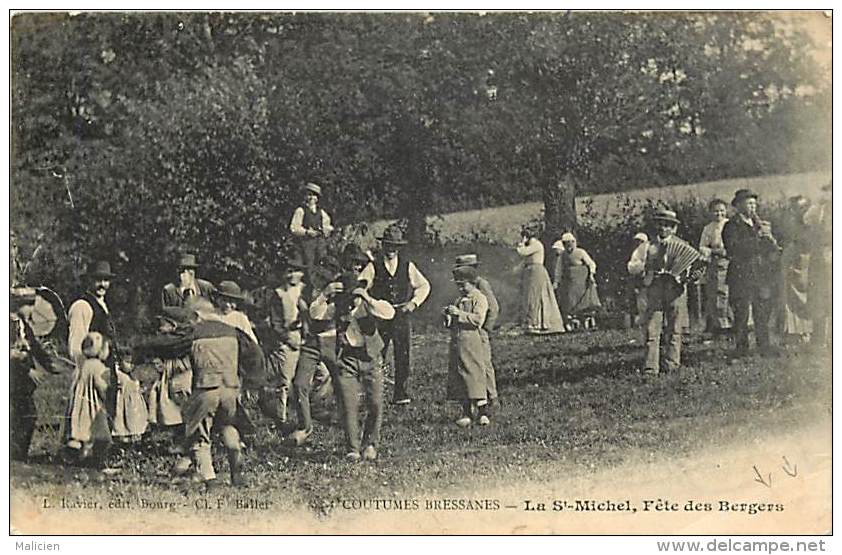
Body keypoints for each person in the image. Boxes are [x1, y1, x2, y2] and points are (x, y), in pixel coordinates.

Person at [137, 297, 267, 488]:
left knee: (200, 435)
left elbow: (166, 345)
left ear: (197, 315)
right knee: (228, 427)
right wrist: (252, 382)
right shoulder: (234, 332)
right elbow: (255, 354)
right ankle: (237, 474)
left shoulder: (195, 332)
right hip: (231, 390)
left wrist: (140, 347)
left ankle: (210, 480)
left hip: (206, 390)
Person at [312, 262, 396, 461]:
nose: (351, 300)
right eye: (348, 296)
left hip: (371, 358)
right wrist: (325, 294)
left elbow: (389, 312)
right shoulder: (338, 307)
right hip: (347, 359)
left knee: (375, 402)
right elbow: (315, 313)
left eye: (354, 295)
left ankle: (370, 444)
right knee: (348, 405)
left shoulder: (369, 305)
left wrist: (367, 298)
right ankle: (353, 448)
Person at [66, 261, 147, 455]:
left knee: (110, 403)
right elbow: (76, 342)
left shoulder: (101, 304)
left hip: (105, 366)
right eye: (97, 280)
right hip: (90, 367)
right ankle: (86, 451)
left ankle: (109, 445)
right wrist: (84, 370)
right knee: (89, 410)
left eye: (106, 280)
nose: (102, 284)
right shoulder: (82, 306)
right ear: (88, 281)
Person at [359, 225, 431, 405]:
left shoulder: (407, 265)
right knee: (377, 353)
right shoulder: (372, 265)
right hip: (380, 317)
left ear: (399, 247)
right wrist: (370, 304)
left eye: (395, 246)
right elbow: (360, 287)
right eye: (388, 245)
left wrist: (413, 303)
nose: (391, 249)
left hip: (401, 314)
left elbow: (424, 286)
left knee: (403, 353)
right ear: (383, 246)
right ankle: (376, 393)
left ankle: (401, 393)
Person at [638, 209, 704, 375]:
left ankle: (672, 364)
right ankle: (650, 368)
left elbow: (698, 268)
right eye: (660, 224)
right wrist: (647, 270)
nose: (663, 228)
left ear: (674, 229)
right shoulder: (647, 246)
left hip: (676, 290)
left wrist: (686, 278)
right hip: (655, 288)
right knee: (652, 328)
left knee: (675, 328)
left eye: (668, 225)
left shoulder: (683, 245)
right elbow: (635, 266)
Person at [721, 189, 782, 357]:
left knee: (762, 312)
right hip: (740, 275)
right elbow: (733, 248)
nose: (753, 207)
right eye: (749, 203)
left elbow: (770, 249)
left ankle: (764, 346)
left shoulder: (759, 224)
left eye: (754, 204)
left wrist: (770, 242)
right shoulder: (731, 225)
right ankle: (742, 349)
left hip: (761, 274)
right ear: (738, 206)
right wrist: (758, 238)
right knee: (741, 314)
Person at [10, 287, 58, 461]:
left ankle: (19, 453)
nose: (31, 309)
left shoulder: (23, 324)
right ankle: (15, 455)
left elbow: (35, 347)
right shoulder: (9, 324)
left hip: (22, 381)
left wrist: (49, 364)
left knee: (26, 415)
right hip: (13, 378)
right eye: (28, 305)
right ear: (16, 305)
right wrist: (28, 369)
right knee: (23, 415)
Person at [260, 253, 308, 427]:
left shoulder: (305, 290)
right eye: (289, 271)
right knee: (285, 380)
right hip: (288, 339)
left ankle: (309, 407)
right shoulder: (279, 294)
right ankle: (281, 418)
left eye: (296, 271)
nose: (292, 275)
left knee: (321, 374)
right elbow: (276, 323)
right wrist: (288, 339)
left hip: (307, 338)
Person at [444, 266, 491, 427]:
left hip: (472, 341)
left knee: (475, 373)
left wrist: (460, 314)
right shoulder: (459, 300)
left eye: (463, 285)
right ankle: (466, 412)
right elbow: (453, 323)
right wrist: (449, 318)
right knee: (460, 375)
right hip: (458, 341)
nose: (461, 288)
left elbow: (478, 320)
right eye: (458, 285)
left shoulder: (479, 298)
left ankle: (483, 411)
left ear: (472, 283)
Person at [454, 254, 499, 408]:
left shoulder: (481, 284)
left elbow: (493, 307)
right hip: (468, 330)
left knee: (484, 363)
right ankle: (476, 396)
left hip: (479, 330)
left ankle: (491, 397)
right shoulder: (463, 290)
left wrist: (486, 327)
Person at [516, 224, 564, 335]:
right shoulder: (532, 245)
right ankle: (531, 322)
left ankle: (539, 323)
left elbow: (522, 252)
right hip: (530, 271)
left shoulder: (537, 245)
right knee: (530, 295)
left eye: (525, 236)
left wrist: (522, 242)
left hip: (536, 271)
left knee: (536, 295)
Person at [552, 232, 601, 331]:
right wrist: (556, 282)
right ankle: (572, 319)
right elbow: (559, 269)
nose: (569, 245)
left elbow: (591, 264)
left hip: (582, 280)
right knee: (570, 299)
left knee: (585, 300)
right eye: (566, 243)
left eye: (571, 242)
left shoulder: (581, 252)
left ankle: (588, 319)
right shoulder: (563, 255)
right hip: (570, 281)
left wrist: (591, 275)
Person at [698, 199, 734, 334]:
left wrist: (722, 251)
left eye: (722, 211)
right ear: (711, 213)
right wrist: (710, 251)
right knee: (715, 292)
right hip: (714, 262)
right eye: (716, 211)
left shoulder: (730, 225)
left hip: (729, 261)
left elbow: (730, 246)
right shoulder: (708, 228)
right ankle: (718, 323)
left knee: (726, 292)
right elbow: (702, 246)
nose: (719, 214)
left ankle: (729, 323)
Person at [804, 183, 831, 349]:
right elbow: (807, 221)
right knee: (819, 299)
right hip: (820, 259)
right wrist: (821, 206)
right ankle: (820, 339)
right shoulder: (817, 210)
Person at [289, 182, 334, 278]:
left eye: (314, 195)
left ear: (317, 198)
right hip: (305, 245)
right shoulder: (301, 210)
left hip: (319, 245)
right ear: (305, 196)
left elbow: (328, 226)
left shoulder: (321, 212)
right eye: (309, 194)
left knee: (320, 266)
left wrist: (324, 231)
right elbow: (294, 228)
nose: (311, 198)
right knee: (307, 269)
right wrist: (306, 232)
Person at [210, 281, 260, 345]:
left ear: (237, 303)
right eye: (224, 300)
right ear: (217, 299)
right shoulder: (209, 314)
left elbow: (253, 343)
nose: (227, 305)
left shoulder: (240, 319)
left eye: (231, 301)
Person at [626, 232, 649, 326]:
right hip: (639, 279)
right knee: (640, 302)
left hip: (650, 278)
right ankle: (640, 323)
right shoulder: (636, 252)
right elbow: (632, 267)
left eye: (641, 241)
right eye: (637, 241)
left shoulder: (649, 249)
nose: (639, 243)